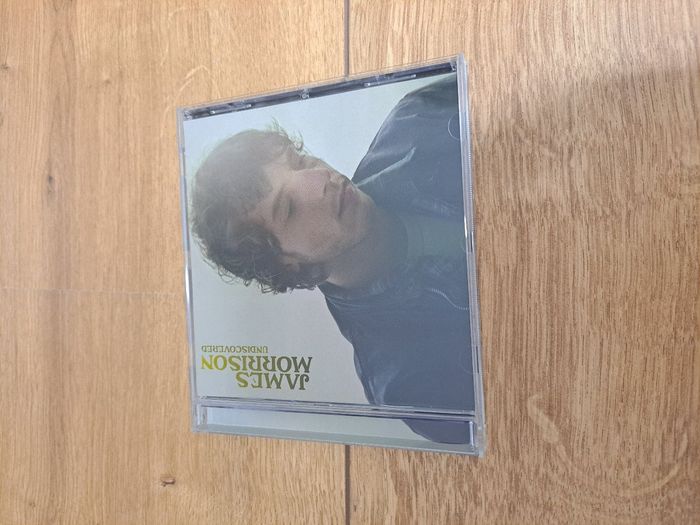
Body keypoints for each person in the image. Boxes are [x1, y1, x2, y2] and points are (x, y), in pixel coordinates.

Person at [190, 75, 474, 443]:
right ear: (289, 266)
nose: (319, 179)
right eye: (289, 208)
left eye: (300, 160)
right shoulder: (410, 385)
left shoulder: (421, 117)